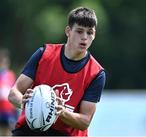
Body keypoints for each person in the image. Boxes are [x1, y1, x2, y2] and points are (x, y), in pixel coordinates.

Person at [8, 6, 106, 136]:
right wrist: (25, 102)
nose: (84, 37)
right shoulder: (44, 54)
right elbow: (13, 93)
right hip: (29, 130)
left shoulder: (96, 73)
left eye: (90, 32)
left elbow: (85, 121)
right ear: (68, 31)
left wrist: (61, 111)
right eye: (79, 31)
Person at [0, 48, 17, 136]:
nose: (5, 64)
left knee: (9, 132)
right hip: (0, 109)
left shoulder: (10, 75)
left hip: (8, 110)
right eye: (3, 62)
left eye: (6, 62)